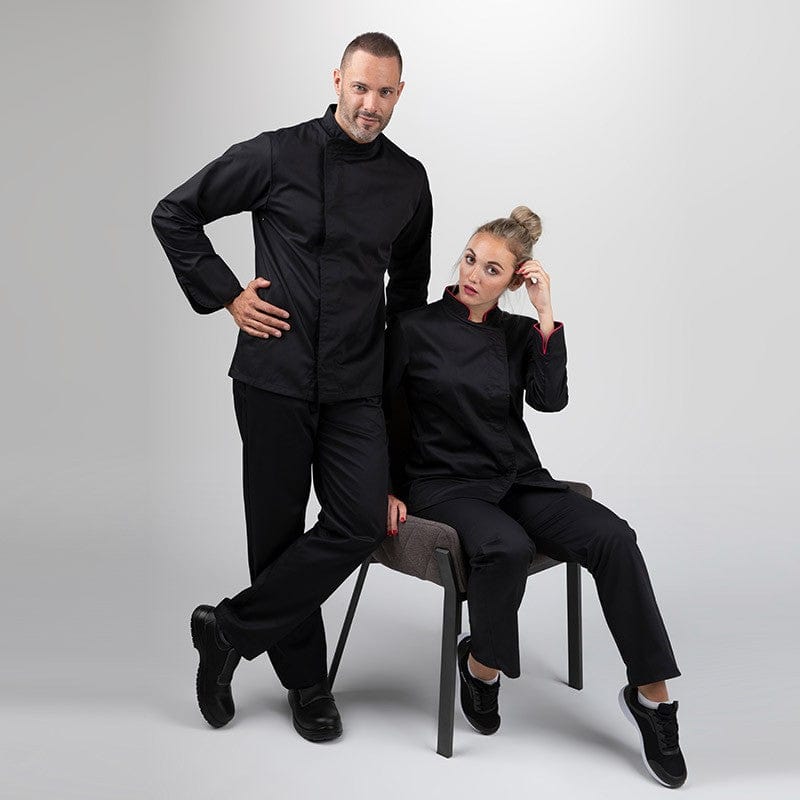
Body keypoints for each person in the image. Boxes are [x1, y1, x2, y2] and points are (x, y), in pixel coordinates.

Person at [151, 32, 432, 742]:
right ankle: (308, 684)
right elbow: (174, 212)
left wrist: (402, 404)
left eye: (385, 92)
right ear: (337, 80)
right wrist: (227, 295)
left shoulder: (409, 180)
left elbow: (408, 296)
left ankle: (228, 631)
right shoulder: (277, 154)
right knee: (276, 535)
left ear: (401, 93)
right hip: (273, 376)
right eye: (360, 87)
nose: (370, 105)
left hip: (356, 385)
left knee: (360, 521)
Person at [383, 207, 687, 788]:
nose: (472, 275)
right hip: (444, 483)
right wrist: (385, 488)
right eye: (470, 259)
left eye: (491, 269)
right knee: (506, 546)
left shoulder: (519, 333)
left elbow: (550, 401)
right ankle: (482, 668)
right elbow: (381, 412)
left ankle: (653, 699)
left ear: (513, 280)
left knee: (614, 537)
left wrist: (546, 314)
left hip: (517, 477)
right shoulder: (414, 328)